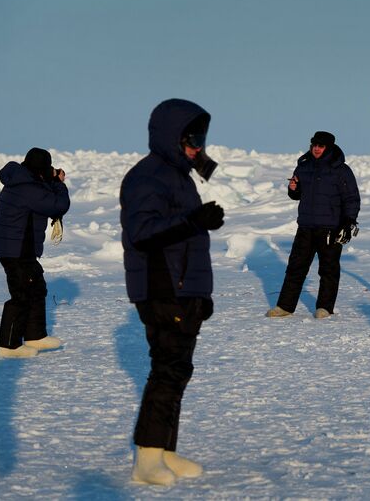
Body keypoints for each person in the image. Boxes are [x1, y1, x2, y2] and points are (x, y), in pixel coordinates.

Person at [120, 98, 225, 485]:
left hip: (183, 290)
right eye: (191, 138)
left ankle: (165, 451)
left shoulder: (178, 177)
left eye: (201, 137)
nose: (198, 146)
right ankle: (147, 461)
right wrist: (193, 219)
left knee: (178, 370)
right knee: (166, 371)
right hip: (163, 290)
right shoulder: (147, 177)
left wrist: (201, 293)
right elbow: (143, 233)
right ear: (171, 137)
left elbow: (184, 240)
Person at [266, 131, 360, 319]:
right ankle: (285, 307)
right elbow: (298, 194)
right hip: (306, 227)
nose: (316, 148)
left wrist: (348, 223)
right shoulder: (304, 166)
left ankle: (324, 308)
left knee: (328, 270)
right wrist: (293, 189)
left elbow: (351, 198)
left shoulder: (341, 170)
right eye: (314, 145)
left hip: (331, 229)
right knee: (295, 268)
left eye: (321, 146)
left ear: (329, 147)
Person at [0, 147, 70, 358]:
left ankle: (35, 336)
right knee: (21, 294)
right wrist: (58, 182)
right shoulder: (28, 188)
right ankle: (8, 346)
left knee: (36, 287)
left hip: (16, 247)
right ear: (40, 170)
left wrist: (51, 179)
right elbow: (58, 205)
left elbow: (43, 192)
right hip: (16, 249)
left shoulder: (23, 180)